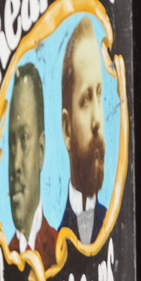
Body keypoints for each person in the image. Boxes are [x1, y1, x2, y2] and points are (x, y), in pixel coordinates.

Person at [58, 17, 107, 246]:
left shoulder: (114, 225)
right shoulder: (54, 245)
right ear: (67, 129)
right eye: (86, 99)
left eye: (99, 94)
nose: (97, 119)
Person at [4, 61, 57, 269]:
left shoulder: (60, 250)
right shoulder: (3, 266)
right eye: (11, 145)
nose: (15, 165)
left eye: (24, 140)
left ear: (41, 151)